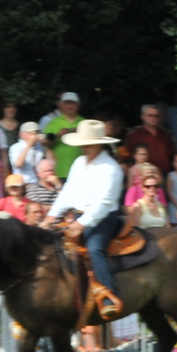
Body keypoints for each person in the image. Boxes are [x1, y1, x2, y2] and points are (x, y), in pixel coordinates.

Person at [42, 119, 127, 306]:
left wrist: (80, 224)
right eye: (83, 143)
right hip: (78, 216)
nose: (84, 147)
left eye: (88, 143)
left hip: (103, 219)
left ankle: (109, 296)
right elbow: (68, 192)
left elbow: (103, 204)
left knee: (95, 249)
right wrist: (50, 217)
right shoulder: (79, 163)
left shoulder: (111, 168)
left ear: (99, 144)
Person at [41, 92, 85, 178]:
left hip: (80, 170)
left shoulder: (84, 122)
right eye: (67, 103)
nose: (70, 106)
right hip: (59, 170)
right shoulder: (53, 122)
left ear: (78, 106)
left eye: (73, 104)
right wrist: (58, 135)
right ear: (61, 105)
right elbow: (45, 144)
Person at [121, 103, 175, 174]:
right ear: (142, 117)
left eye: (156, 116)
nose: (153, 118)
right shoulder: (134, 135)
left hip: (164, 176)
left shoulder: (165, 135)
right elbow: (127, 156)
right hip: (142, 176)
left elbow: (172, 155)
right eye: (150, 115)